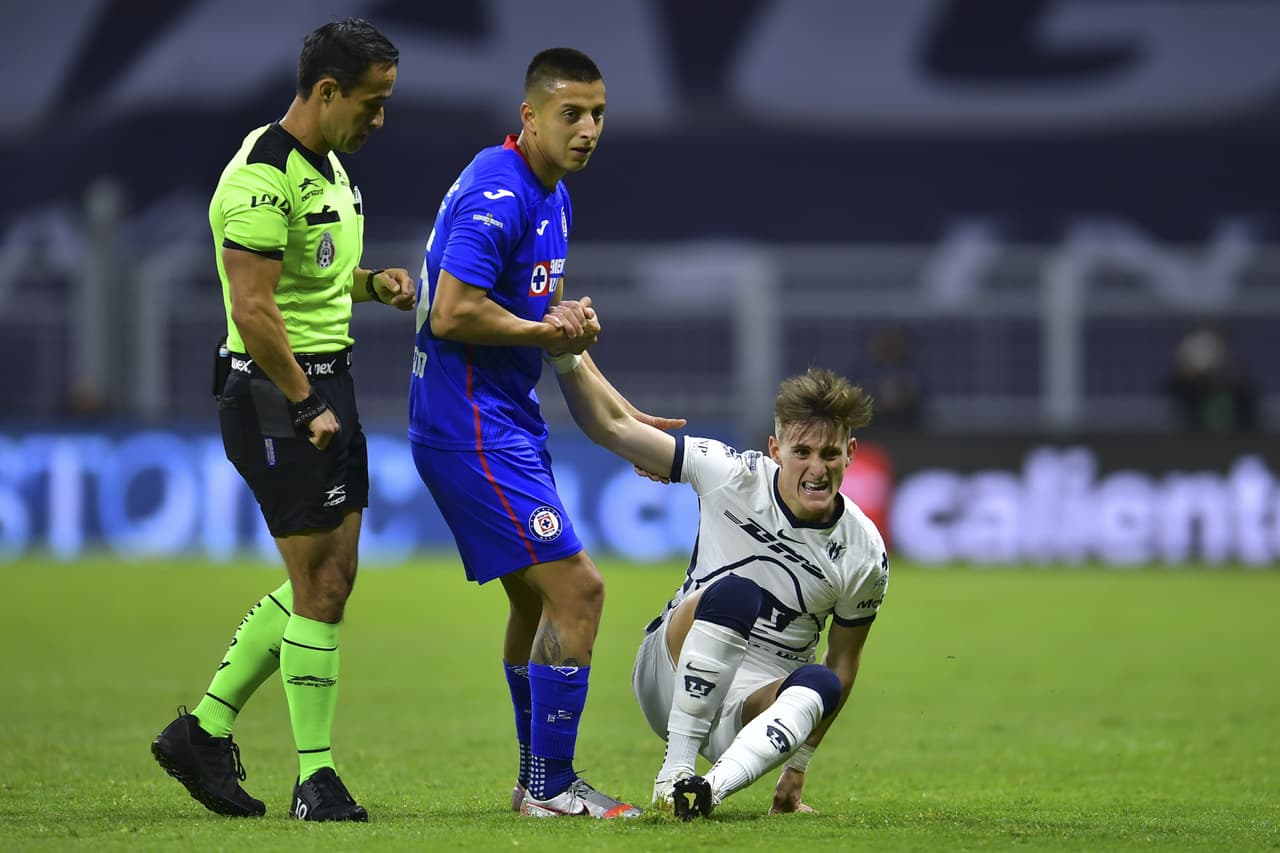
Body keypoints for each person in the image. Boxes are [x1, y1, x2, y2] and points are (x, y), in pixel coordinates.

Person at [151, 19, 414, 823]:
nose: (380, 119)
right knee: (322, 585)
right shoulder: (261, 177)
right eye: (370, 104)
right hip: (276, 392)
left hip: (328, 378)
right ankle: (316, 778)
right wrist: (305, 403)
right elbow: (255, 309)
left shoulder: (329, 169)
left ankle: (202, 730)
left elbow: (314, 280)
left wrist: (373, 286)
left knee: (329, 580)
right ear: (326, 91)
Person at [408, 47, 682, 819]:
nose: (589, 128)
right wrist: (542, 325)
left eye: (598, 114)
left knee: (535, 607)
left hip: (499, 423)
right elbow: (451, 311)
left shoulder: (550, 194)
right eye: (572, 114)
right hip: (468, 427)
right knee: (580, 590)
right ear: (529, 117)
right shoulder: (501, 191)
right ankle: (553, 787)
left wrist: (625, 418)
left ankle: (536, 784)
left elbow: (552, 336)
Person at [556, 364, 888, 820]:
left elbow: (843, 662)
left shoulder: (863, 550)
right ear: (775, 449)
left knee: (821, 682)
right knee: (735, 593)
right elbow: (612, 427)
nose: (816, 469)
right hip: (668, 673)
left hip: (750, 716)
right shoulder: (731, 474)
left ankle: (705, 790)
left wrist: (798, 766)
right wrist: (567, 359)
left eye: (830, 454)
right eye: (803, 451)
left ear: (850, 453)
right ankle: (674, 773)